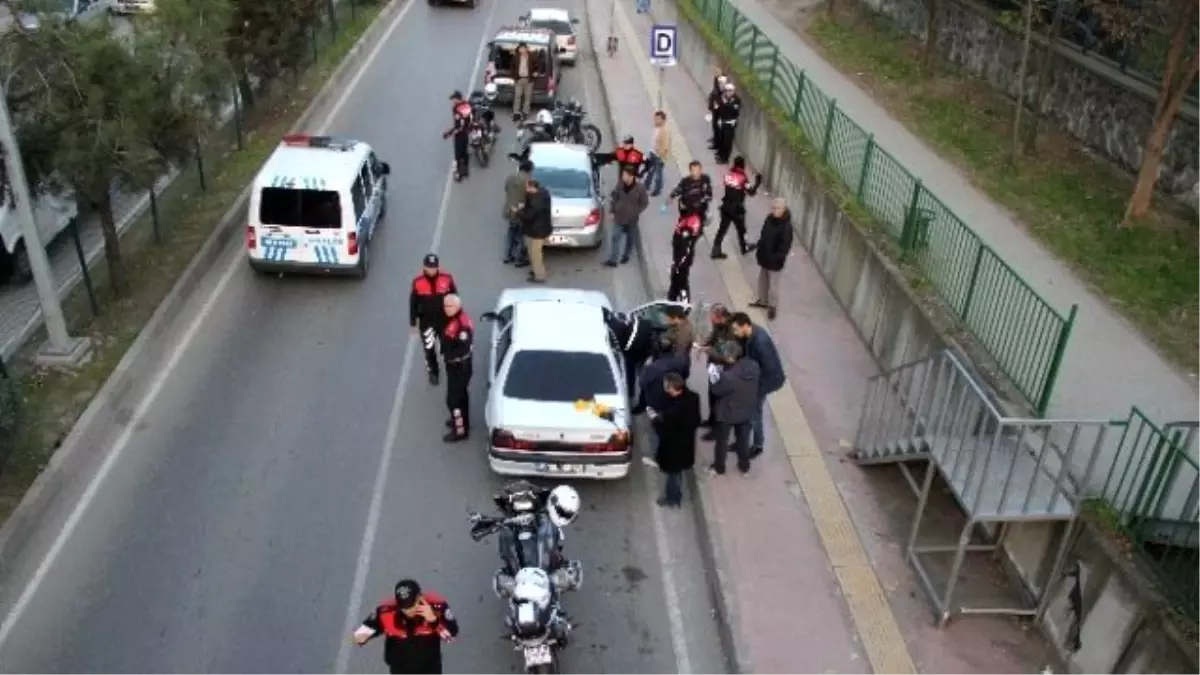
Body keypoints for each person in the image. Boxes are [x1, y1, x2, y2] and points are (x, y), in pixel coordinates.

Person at [353, 579, 459, 675]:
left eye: (411, 605)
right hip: (400, 670)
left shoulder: (438, 607)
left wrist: (434, 621)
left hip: (430, 669)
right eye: (404, 607)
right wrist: (361, 637)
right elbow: (362, 633)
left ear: (420, 597)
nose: (408, 611)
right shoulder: (386, 611)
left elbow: (451, 636)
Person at [730, 312, 786, 458]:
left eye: (736, 329)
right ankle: (742, 441)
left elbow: (769, 370)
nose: (734, 333)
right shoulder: (747, 335)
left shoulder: (760, 342)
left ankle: (758, 445)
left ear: (745, 326)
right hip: (755, 379)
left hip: (766, 381)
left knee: (754, 413)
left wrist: (752, 388)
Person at [708, 340, 760, 476]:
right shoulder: (754, 366)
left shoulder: (728, 377)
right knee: (743, 441)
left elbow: (716, 390)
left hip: (727, 413)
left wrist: (713, 376)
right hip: (746, 410)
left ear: (730, 358)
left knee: (722, 442)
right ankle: (744, 466)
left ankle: (719, 467)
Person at [649, 371, 701, 508]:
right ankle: (674, 496)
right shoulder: (694, 397)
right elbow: (697, 419)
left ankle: (673, 498)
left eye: (666, 385)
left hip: (674, 448)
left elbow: (663, 431)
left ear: (672, 388)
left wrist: (654, 419)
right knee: (677, 472)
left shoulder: (673, 412)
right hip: (686, 444)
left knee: (673, 474)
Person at [409, 254, 458, 386]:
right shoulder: (417, 282)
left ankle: (452, 369)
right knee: (429, 348)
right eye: (430, 267)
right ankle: (433, 372)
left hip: (445, 321)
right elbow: (413, 303)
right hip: (427, 323)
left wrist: (456, 317)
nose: (432, 270)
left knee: (448, 347)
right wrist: (413, 323)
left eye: (434, 267)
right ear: (424, 267)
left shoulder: (447, 279)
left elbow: (454, 297)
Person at [710, 156, 762, 260]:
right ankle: (744, 247)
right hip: (737, 209)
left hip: (726, 207)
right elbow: (751, 192)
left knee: (722, 229)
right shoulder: (742, 177)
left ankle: (715, 250)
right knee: (741, 230)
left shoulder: (728, 174)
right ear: (743, 165)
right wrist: (757, 183)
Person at [752, 198, 794, 320]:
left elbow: (785, 246)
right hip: (765, 257)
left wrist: (775, 257)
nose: (774, 210)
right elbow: (763, 235)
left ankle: (772, 307)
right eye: (773, 207)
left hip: (775, 262)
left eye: (778, 208)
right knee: (763, 281)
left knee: (773, 286)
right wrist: (760, 250)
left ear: (784, 209)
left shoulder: (786, 226)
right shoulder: (769, 219)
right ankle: (763, 301)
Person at [440, 294, 474, 442]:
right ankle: (461, 421)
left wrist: (448, 357)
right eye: (445, 306)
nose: (447, 309)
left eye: (450, 306)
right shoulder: (455, 318)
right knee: (461, 397)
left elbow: (463, 349)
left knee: (453, 400)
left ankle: (460, 430)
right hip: (456, 365)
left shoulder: (462, 326)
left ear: (458, 307)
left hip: (459, 366)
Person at [632, 333, 690, 414]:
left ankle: (643, 406)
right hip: (675, 399)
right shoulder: (681, 362)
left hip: (656, 403)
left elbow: (642, 384)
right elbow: (686, 375)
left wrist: (645, 367)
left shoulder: (650, 367)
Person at [603, 167, 649, 268]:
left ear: (631, 176)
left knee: (630, 238)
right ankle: (613, 260)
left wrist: (636, 211)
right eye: (623, 175)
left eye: (624, 175)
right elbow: (614, 197)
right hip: (619, 216)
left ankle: (626, 255)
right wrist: (612, 210)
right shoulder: (620, 185)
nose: (622, 177)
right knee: (615, 237)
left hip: (632, 219)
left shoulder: (640, 188)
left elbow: (645, 203)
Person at [699, 304, 733, 435]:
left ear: (720, 317)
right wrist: (705, 343)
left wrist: (709, 350)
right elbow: (713, 335)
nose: (711, 320)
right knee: (711, 395)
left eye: (713, 318)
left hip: (724, 369)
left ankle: (717, 429)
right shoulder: (718, 326)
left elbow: (726, 356)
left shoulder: (731, 332)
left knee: (720, 399)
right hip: (714, 367)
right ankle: (711, 420)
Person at [604, 309, 654, 399]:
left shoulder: (614, 328)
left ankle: (631, 393)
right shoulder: (618, 316)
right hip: (640, 349)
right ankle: (632, 393)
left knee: (631, 373)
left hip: (632, 352)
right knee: (635, 373)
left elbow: (620, 344)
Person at [518, 178, 552, 283]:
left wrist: (518, 211)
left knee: (535, 254)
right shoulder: (543, 193)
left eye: (527, 187)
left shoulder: (536, 203)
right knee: (532, 251)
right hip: (539, 229)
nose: (526, 189)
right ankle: (535, 270)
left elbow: (528, 216)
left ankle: (539, 276)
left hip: (536, 231)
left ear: (532, 188)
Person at [503, 160, 533, 265]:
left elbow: (506, 189)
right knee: (521, 235)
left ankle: (507, 255)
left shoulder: (510, 177)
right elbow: (530, 197)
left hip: (509, 210)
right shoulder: (528, 181)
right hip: (520, 211)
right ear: (529, 170)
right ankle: (519, 258)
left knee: (511, 232)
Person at [667, 160, 713, 227]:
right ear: (690, 171)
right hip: (687, 207)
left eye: (697, 170)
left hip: (700, 207)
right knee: (683, 223)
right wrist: (671, 196)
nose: (695, 173)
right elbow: (679, 189)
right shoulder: (685, 181)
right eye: (693, 170)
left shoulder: (705, 179)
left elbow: (709, 193)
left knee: (699, 224)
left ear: (701, 169)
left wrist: (703, 200)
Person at [668, 211, 702, 303]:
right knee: (677, 280)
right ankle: (673, 299)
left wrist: (678, 263)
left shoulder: (688, 227)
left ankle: (683, 303)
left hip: (682, 260)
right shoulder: (690, 219)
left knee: (681, 282)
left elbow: (685, 248)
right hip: (682, 259)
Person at [442, 91, 472, 182]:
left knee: (458, 155)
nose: (453, 101)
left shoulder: (456, 108)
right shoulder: (467, 104)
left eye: (454, 99)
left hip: (460, 135)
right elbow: (469, 117)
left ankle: (459, 174)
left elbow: (459, 126)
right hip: (466, 132)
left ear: (457, 99)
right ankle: (465, 171)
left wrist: (449, 133)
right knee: (465, 153)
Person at [713, 82, 742, 164]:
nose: (728, 92)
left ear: (733, 91)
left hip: (730, 123)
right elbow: (718, 108)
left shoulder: (736, 100)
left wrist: (725, 104)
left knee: (727, 142)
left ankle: (725, 159)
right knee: (721, 139)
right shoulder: (722, 98)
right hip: (722, 122)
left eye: (730, 91)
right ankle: (721, 155)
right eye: (727, 90)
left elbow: (733, 110)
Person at [644, 110, 671, 197]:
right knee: (650, 170)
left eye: (657, 119)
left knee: (658, 174)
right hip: (653, 153)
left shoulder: (664, 132)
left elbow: (666, 147)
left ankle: (657, 189)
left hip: (658, 156)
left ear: (663, 120)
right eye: (655, 118)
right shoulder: (656, 128)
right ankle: (646, 185)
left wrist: (660, 156)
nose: (655, 120)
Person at [512, 42, 535, 120]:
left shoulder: (531, 56)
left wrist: (536, 72)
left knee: (527, 97)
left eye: (522, 48)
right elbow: (511, 67)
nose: (521, 50)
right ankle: (516, 113)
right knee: (517, 96)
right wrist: (514, 76)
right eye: (520, 49)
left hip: (528, 80)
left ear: (526, 48)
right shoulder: (516, 57)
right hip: (519, 79)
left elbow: (538, 64)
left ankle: (525, 113)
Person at [707, 72, 727, 150]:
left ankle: (717, 144)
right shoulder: (716, 82)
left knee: (718, 128)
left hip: (719, 111)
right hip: (715, 109)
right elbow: (713, 95)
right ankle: (715, 140)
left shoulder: (723, 87)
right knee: (715, 126)